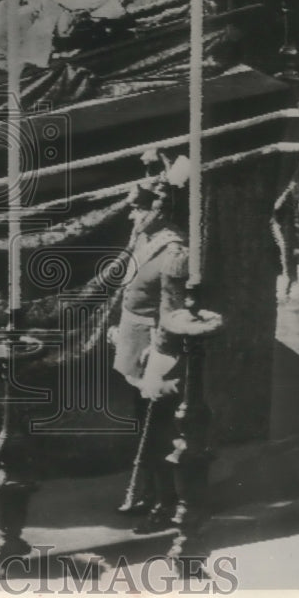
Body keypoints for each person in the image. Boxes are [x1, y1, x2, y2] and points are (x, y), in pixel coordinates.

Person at [109, 154, 190, 535]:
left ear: (161, 211)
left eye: (139, 209)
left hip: (155, 353)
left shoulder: (174, 253)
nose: (132, 215)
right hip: (133, 344)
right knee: (143, 425)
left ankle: (165, 503)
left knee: (157, 431)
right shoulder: (144, 238)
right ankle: (144, 491)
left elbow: (172, 313)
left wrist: (161, 358)